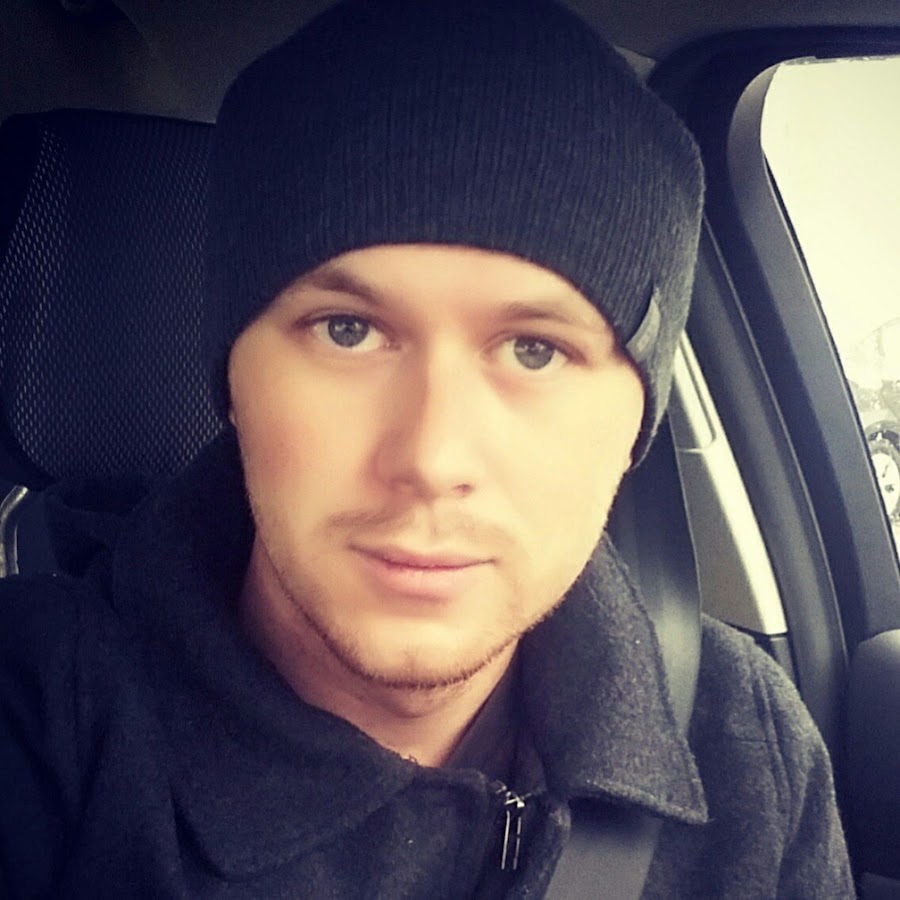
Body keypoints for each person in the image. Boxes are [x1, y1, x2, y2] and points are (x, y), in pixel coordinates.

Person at [0, 0, 855, 897]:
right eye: (347, 330)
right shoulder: (39, 727)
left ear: (636, 420)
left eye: (535, 350)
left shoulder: (748, 747)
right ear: (233, 383)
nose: (431, 458)